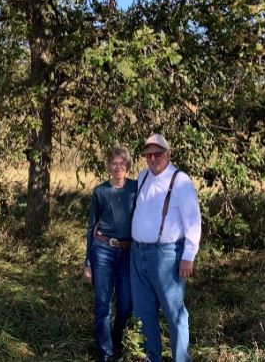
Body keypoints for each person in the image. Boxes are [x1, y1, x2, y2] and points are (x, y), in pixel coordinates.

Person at [131, 133, 202, 362]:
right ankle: (154, 358)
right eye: (148, 155)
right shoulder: (142, 177)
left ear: (167, 154)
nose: (152, 158)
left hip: (166, 256)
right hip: (137, 254)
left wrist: (188, 255)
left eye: (157, 154)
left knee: (175, 314)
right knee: (144, 312)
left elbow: (193, 220)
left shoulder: (180, 180)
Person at [84, 146, 139, 362]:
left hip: (127, 252)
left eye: (122, 163)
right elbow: (91, 227)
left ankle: (116, 341)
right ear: (108, 166)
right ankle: (106, 353)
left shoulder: (135, 187)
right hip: (103, 250)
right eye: (114, 163)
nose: (118, 167)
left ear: (127, 166)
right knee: (103, 304)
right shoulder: (100, 191)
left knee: (126, 304)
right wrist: (88, 262)